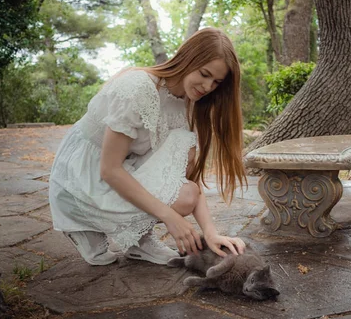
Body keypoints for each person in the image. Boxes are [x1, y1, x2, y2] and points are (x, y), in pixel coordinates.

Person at [49, 27, 247, 266]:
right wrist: (169, 217)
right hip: (82, 177)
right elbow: (109, 169)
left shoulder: (186, 103)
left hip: (126, 167)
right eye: (204, 74)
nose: (207, 87)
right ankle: (80, 219)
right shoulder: (138, 88)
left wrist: (211, 233)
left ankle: (138, 239)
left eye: (216, 82)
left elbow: (189, 177)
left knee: (187, 189)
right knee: (177, 197)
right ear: (188, 58)